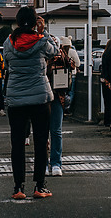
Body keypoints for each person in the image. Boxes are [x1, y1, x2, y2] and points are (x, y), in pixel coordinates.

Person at [3, 6, 58, 200]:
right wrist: (43, 32)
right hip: (40, 98)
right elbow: (55, 52)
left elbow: (7, 65)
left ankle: (18, 187)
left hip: (16, 98)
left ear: (18, 22)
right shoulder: (42, 41)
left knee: (17, 143)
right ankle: (39, 186)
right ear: (35, 23)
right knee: (41, 142)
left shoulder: (8, 43)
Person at [47, 37, 71, 176]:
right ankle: (47, 163)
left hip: (57, 96)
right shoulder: (41, 58)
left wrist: (62, 55)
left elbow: (72, 65)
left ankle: (56, 163)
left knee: (55, 131)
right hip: (43, 96)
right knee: (45, 131)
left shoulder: (62, 57)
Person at [59, 36, 80, 113]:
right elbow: (78, 63)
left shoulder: (60, 51)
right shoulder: (72, 52)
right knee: (71, 92)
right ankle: (68, 108)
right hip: (72, 74)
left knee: (63, 92)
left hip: (61, 75)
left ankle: (62, 107)